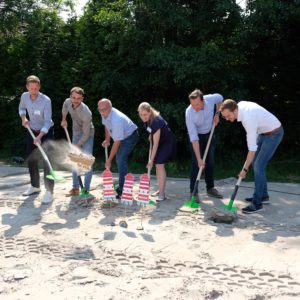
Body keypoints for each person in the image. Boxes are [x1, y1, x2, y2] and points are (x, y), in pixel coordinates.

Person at [220, 99, 284, 214]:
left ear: (234, 110)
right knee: (256, 164)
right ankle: (263, 196)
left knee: (258, 166)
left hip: (274, 134)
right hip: (263, 133)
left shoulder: (248, 119)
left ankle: (257, 203)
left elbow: (252, 149)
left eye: (228, 116)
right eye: (224, 117)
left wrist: (244, 169)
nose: (227, 119)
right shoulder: (239, 107)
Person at [19, 75, 54, 204]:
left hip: (46, 132)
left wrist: (40, 136)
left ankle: (49, 191)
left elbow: (47, 121)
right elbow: (22, 108)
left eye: (36, 88)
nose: (33, 91)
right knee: (31, 159)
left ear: (39, 86)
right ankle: (35, 186)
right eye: (31, 88)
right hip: (31, 130)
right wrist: (23, 118)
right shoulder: (24, 96)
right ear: (27, 87)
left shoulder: (46, 100)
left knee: (47, 161)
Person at [185, 89, 223, 201]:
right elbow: (194, 138)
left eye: (197, 104)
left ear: (203, 101)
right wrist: (199, 159)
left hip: (209, 134)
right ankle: (194, 191)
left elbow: (220, 97)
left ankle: (210, 188)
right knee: (196, 162)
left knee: (210, 161)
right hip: (196, 137)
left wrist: (217, 113)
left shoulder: (210, 99)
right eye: (192, 104)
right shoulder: (189, 113)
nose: (194, 107)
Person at [98, 98, 139, 198]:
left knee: (120, 159)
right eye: (100, 109)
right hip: (122, 135)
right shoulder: (104, 113)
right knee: (120, 158)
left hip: (130, 136)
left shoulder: (117, 119)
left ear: (110, 108)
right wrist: (107, 139)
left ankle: (123, 190)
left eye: (104, 109)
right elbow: (106, 126)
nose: (102, 112)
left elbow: (117, 142)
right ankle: (122, 186)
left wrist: (109, 160)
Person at [138, 102, 176, 202]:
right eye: (141, 114)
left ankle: (162, 194)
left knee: (159, 165)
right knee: (157, 166)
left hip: (166, 143)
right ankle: (160, 190)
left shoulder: (156, 122)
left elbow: (155, 143)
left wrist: (150, 160)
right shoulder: (147, 120)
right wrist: (151, 134)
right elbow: (152, 132)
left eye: (145, 114)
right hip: (159, 142)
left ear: (150, 112)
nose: (143, 117)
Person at [61, 87, 95, 197]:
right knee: (74, 161)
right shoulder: (68, 101)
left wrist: (77, 145)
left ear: (82, 98)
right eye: (73, 97)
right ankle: (75, 188)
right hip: (75, 133)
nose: (75, 100)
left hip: (88, 135)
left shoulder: (86, 113)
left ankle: (86, 189)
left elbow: (86, 134)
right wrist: (64, 119)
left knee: (86, 161)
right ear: (70, 96)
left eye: (78, 98)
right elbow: (65, 107)